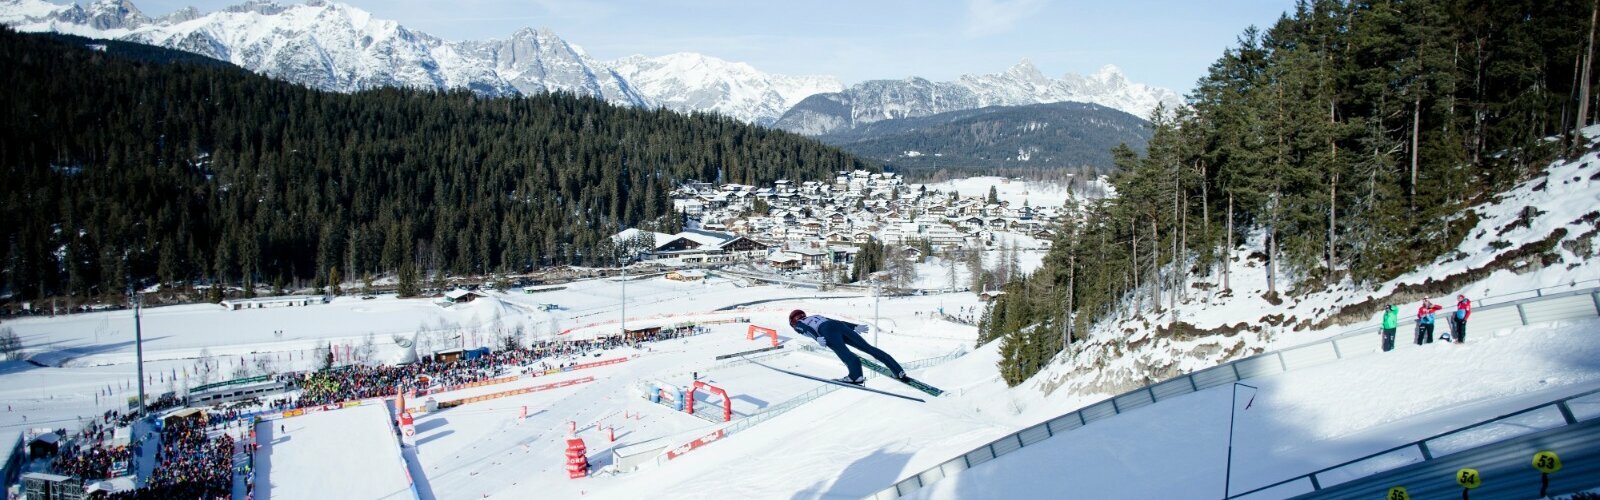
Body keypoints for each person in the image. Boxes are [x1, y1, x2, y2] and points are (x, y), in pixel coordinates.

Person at [788, 309, 909, 386]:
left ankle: (856, 376)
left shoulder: (798, 324)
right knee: (868, 348)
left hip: (826, 331)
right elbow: (836, 321)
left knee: (844, 352)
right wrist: (854, 327)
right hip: (838, 326)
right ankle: (898, 371)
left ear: (793, 321)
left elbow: (806, 329)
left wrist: (816, 338)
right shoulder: (816, 316)